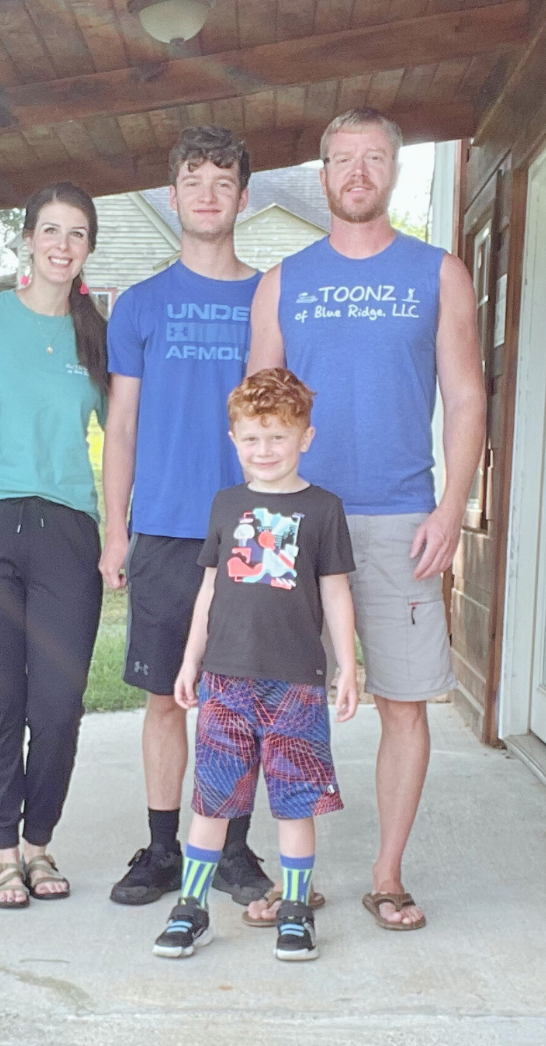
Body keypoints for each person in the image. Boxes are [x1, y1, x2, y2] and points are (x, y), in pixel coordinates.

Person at [248, 107, 485, 930]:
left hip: (398, 519)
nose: (357, 172)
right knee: (285, 702)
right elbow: (254, 408)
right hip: (295, 520)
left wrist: (453, 505)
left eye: (373, 158)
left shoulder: (439, 271)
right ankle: (293, 874)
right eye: (342, 160)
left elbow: (465, 395)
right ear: (323, 177)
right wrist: (258, 524)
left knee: (403, 700)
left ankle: (387, 873)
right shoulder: (284, 281)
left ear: (392, 171)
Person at [101, 126, 272, 906]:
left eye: (223, 179)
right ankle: (164, 847)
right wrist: (115, 529)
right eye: (193, 178)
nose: (208, 191)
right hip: (167, 527)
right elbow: (123, 426)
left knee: (240, 698)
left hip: (254, 526)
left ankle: (233, 850)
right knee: (166, 696)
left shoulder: (270, 297)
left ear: (243, 197)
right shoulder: (139, 303)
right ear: (172, 197)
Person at [152, 367, 358, 962]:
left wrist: (347, 664)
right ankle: (192, 908)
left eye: (278, 437)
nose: (264, 450)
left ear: (305, 439)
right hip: (225, 679)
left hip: (296, 683)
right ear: (234, 440)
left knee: (296, 800)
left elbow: (337, 592)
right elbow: (210, 592)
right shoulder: (227, 504)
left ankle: (294, 909)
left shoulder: (323, 509)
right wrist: (191, 661)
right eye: (251, 438)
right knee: (211, 799)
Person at [0, 183, 107, 908]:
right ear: (27, 239)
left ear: (88, 250)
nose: (61, 245)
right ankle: (5, 852)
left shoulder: (96, 336)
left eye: (76, 234)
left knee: (60, 704)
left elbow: (127, 435)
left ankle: (42, 843)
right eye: (49, 230)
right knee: (0, 700)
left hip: (67, 528)